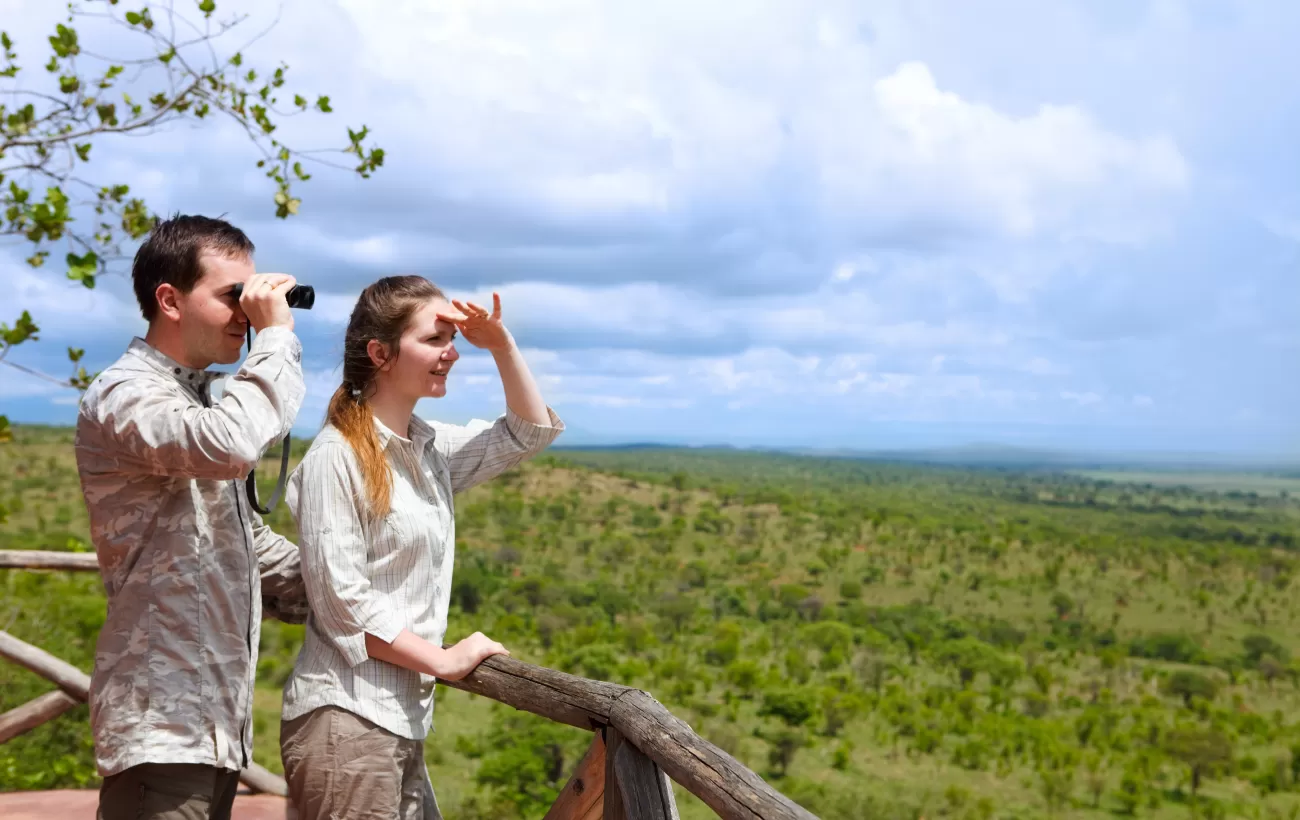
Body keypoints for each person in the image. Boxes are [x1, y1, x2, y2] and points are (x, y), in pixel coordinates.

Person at [279, 275, 563, 820]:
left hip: (399, 719)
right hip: (349, 718)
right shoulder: (335, 459)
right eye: (435, 339)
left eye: (452, 339)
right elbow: (344, 604)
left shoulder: (427, 449)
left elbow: (527, 431)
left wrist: (501, 344)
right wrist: (443, 660)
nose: (451, 353)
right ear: (380, 353)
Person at [73, 215, 310, 820]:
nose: (248, 313)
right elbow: (231, 446)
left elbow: (242, 544)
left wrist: (347, 588)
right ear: (169, 299)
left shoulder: (199, 397)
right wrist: (278, 337)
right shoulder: (123, 393)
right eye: (233, 296)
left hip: (214, 729)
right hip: (162, 727)